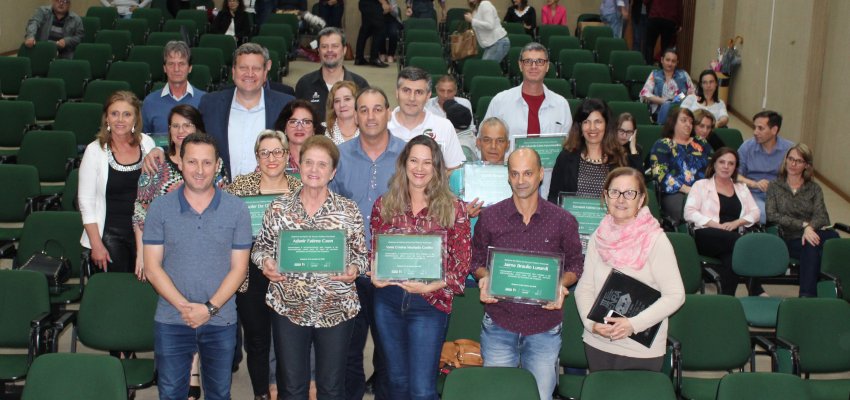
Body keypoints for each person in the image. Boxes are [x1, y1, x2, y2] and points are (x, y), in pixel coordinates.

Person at [250, 135, 366, 400]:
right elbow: (260, 248)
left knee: (331, 387)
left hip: (336, 308)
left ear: (333, 172)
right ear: (299, 166)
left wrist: (354, 269)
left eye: (322, 164)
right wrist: (265, 262)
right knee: (292, 387)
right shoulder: (278, 208)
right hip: (288, 307)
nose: (314, 170)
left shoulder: (348, 210)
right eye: (309, 162)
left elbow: (362, 255)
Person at [143, 133, 252, 400]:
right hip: (172, 318)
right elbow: (152, 267)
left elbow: (239, 269)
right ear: (180, 163)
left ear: (218, 165)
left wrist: (208, 309)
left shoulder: (237, 209)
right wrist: (185, 308)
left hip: (220, 318)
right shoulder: (160, 208)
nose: (200, 170)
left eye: (207, 162)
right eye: (192, 161)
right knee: (170, 393)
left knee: (219, 393)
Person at [472, 148, 583, 400]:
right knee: (499, 396)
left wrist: (560, 284)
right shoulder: (490, 217)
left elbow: (576, 265)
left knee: (540, 396)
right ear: (508, 176)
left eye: (528, 173)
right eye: (515, 174)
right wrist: (484, 277)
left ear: (541, 174)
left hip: (544, 326)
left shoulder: (563, 220)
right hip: (499, 323)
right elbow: (476, 260)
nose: (521, 180)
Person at [370, 135, 471, 400]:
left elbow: (462, 264)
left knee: (422, 389)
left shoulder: (454, 208)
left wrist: (433, 284)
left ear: (436, 168)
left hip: (430, 304)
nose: (419, 168)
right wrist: (375, 273)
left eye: (427, 162)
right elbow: (375, 252)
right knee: (396, 382)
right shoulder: (384, 205)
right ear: (404, 164)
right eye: (414, 160)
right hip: (388, 301)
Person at [329, 87, 402, 400]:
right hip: (350, 270)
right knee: (349, 348)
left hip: (393, 269)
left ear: (388, 112)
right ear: (356, 116)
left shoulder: (407, 155)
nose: (371, 116)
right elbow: (329, 211)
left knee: (389, 349)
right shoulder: (340, 156)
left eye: (377, 109)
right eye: (364, 110)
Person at [575, 167, 685, 371]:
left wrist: (633, 324)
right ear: (605, 196)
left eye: (629, 193)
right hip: (598, 342)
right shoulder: (598, 237)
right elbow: (585, 288)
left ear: (641, 199)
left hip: (639, 348)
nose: (620, 199)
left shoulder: (655, 240)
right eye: (614, 192)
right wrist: (592, 325)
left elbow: (675, 295)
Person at [225, 129, 301, 400]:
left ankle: (286, 390)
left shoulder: (301, 188)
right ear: (257, 157)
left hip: (291, 275)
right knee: (257, 340)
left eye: (277, 152)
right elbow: (226, 226)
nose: (272, 158)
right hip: (250, 274)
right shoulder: (239, 188)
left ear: (287, 155)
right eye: (265, 153)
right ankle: (261, 393)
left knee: (288, 339)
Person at [79, 91, 156, 276]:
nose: (120, 120)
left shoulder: (147, 143)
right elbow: (85, 202)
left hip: (144, 233)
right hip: (108, 234)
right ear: (106, 118)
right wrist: (96, 245)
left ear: (136, 119)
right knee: (117, 287)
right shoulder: (94, 150)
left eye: (127, 114)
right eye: (114, 114)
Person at [197, 42, 295, 178]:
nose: (249, 74)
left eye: (256, 68)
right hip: (223, 189)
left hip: (270, 189)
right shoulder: (210, 104)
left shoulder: (285, 105)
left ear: (265, 73)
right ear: (233, 71)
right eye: (243, 68)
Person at [684, 148, 760, 296]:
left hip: (732, 239)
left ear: (735, 167)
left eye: (731, 163)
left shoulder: (741, 188)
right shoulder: (700, 185)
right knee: (742, 244)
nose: (726, 166)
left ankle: (727, 299)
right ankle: (756, 289)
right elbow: (689, 212)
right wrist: (716, 225)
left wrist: (737, 223)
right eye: (722, 162)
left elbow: (755, 212)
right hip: (706, 235)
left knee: (731, 257)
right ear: (714, 164)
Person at [766, 144, 839, 298]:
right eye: (790, 159)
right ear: (785, 160)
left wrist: (809, 228)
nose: (793, 164)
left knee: (829, 242)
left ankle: (810, 296)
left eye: (798, 161)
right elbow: (772, 215)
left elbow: (822, 216)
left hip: (816, 233)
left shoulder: (814, 188)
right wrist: (803, 225)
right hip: (790, 237)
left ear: (806, 165)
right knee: (812, 247)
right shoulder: (774, 186)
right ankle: (809, 296)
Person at [548, 99, 641, 202]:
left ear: (606, 125)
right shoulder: (565, 158)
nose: (592, 128)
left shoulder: (620, 159)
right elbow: (553, 198)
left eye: (598, 122)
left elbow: (635, 195)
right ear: (580, 126)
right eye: (586, 122)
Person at [484, 42, 572, 138]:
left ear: (547, 66)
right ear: (520, 65)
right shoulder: (500, 101)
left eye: (540, 61)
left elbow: (569, 143)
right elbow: (484, 140)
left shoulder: (561, 105)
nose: (533, 66)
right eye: (528, 61)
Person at [388, 67, 465, 170]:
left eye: (419, 92)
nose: (412, 98)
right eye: (406, 91)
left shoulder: (444, 127)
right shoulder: (383, 126)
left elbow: (455, 169)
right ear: (397, 93)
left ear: (428, 96)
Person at [649, 107, 712, 226]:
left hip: (704, 191)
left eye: (691, 122)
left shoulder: (701, 142)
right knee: (696, 214)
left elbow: (713, 166)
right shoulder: (662, 144)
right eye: (684, 120)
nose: (688, 124)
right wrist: (687, 189)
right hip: (676, 193)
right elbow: (660, 175)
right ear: (673, 122)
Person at [296, 27, 369, 120]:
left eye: (335, 46)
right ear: (318, 51)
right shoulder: (304, 84)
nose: (329, 50)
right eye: (324, 46)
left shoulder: (360, 84)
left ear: (344, 50)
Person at [737, 110, 794, 224]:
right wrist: (755, 184)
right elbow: (735, 175)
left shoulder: (789, 149)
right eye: (755, 127)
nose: (755, 132)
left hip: (780, 194)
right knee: (762, 213)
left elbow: (798, 176)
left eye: (760, 128)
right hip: (753, 193)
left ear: (774, 130)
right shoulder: (746, 147)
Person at [142, 41, 206, 137]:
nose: (176, 69)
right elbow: (144, 140)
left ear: (190, 68)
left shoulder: (204, 100)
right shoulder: (150, 102)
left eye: (181, 64)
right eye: (171, 64)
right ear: (164, 68)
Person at [639, 48, 695, 125]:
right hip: (659, 110)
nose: (670, 63)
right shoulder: (655, 74)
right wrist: (664, 101)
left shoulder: (683, 75)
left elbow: (692, 93)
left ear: (677, 63)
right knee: (666, 105)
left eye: (673, 61)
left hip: (680, 109)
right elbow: (644, 93)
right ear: (662, 60)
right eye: (667, 60)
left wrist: (676, 100)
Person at [273, 100, 323, 174]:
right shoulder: (272, 159)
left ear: (314, 129)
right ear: (285, 128)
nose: (299, 128)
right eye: (293, 122)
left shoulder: (324, 158)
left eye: (306, 122)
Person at [355, 0, 390, 68]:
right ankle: (374, 58)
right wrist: (384, 2)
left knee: (365, 30)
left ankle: (359, 58)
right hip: (373, 4)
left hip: (365, 3)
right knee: (379, 29)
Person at [325, 81, 360, 145]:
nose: (342, 105)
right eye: (337, 101)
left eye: (347, 99)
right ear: (332, 106)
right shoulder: (323, 131)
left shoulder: (367, 130)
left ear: (358, 102)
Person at [378, 0, 403, 64]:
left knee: (393, 32)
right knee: (380, 31)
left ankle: (391, 55)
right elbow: (376, 13)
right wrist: (384, 11)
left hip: (393, 20)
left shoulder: (392, 0)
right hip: (381, 20)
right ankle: (382, 53)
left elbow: (396, 13)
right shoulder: (378, 1)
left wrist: (390, 10)